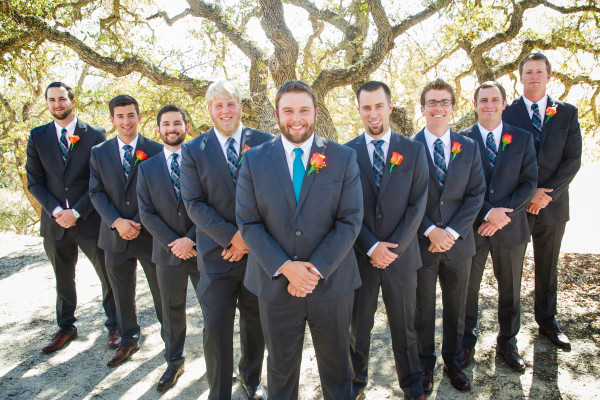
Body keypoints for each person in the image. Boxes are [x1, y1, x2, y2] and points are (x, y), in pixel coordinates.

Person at [236, 80, 363, 400]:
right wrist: (286, 267)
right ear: (277, 114)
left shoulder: (343, 157)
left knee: (337, 370)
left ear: (315, 113)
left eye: (304, 110)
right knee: (280, 370)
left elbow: (350, 220)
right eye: (288, 110)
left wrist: (314, 269)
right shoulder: (253, 160)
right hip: (274, 283)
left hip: (332, 283)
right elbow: (248, 222)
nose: (296, 117)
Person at [180, 81, 270, 400]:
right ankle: (219, 393)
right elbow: (194, 203)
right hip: (216, 257)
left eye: (230, 104)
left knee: (255, 323)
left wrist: (247, 239)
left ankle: (251, 378)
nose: (225, 111)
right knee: (215, 328)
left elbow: (274, 196)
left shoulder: (265, 143)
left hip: (258, 256)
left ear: (240, 106)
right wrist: (232, 238)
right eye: (218, 106)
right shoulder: (193, 150)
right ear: (209, 110)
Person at [345, 81, 428, 400]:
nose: (373, 113)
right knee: (357, 328)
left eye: (379, 105)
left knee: (405, 329)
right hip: (360, 257)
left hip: (402, 258)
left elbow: (417, 204)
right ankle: (355, 383)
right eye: (366, 107)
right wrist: (370, 246)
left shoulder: (413, 150)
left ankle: (412, 386)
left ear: (390, 107)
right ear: (359, 110)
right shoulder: (346, 153)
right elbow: (345, 208)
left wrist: (393, 248)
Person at [26, 82, 117, 354]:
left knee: (107, 275)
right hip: (55, 223)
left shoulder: (95, 134)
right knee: (62, 278)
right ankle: (66, 327)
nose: (57, 104)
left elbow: (101, 180)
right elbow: (35, 182)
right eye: (52, 99)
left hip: (89, 219)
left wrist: (76, 211)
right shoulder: (38, 136)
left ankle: (115, 326)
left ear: (72, 101)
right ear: (47, 103)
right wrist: (57, 212)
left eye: (62, 99)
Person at [503, 53, 582, 350]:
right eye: (528, 72)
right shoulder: (507, 114)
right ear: (520, 77)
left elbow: (572, 161)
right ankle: (508, 334)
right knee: (511, 269)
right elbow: (500, 161)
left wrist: (547, 195)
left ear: (549, 76)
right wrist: (528, 194)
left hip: (554, 205)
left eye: (539, 71)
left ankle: (548, 322)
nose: (534, 76)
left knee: (547, 266)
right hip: (517, 208)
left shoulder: (567, 113)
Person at [413, 79, 485, 392]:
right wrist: (431, 230)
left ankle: (454, 363)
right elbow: (405, 198)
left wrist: (452, 232)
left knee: (457, 308)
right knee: (423, 309)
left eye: (444, 102)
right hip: (422, 245)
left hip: (459, 245)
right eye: (432, 102)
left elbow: (476, 193)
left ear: (453, 108)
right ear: (423, 108)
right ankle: (424, 366)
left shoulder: (468, 147)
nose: (438, 107)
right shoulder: (408, 148)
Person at [460, 81, 537, 371]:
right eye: (483, 100)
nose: (489, 104)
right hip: (473, 229)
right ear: (475, 104)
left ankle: (508, 343)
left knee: (511, 290)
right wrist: (487, 213)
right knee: (467, 290)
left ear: (505, 104)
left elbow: (529, 181)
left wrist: (503, 214)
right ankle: (466, 343)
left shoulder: (523, 138)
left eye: (495, 99)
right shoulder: (461, 140)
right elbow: (458, 186)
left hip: (511, 228)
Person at [89, 95, 163, 367]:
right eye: (119, 116)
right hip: (114, 235)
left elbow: (162, 193)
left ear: (139, 117)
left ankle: (171, 343)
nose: (126, 121)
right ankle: (128, 340)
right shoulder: (99, 152)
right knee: (121, 293)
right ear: (112, 120)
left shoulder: (156, 150)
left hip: (150, 235)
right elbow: (95, 192)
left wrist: (137, 221)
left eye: (130, 115)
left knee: (162, 292)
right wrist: (117, 222)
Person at [137, 105, 200, 391]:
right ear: (158, 129)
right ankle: (174, 363)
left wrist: (192, 238)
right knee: (171, 313)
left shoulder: (201, 161)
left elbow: (216, 203)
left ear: (186, 127)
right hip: (166, 253)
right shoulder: (146, 168)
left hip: (202, 249)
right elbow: (147, 213)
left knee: (213, 310)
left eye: (177, 123)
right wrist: (174, 244)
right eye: (166, 124)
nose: (172, 128)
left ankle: (218, 360)